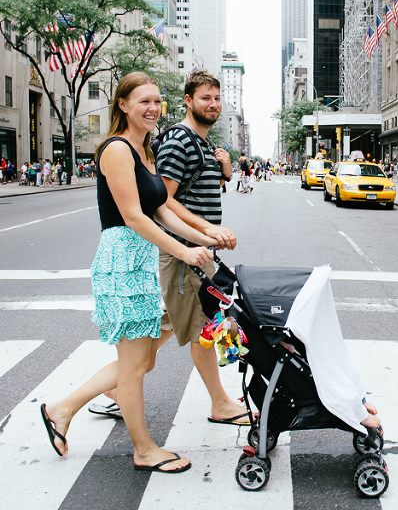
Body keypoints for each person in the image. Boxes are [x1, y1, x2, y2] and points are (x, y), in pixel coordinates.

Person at [41, 72, 218, 473]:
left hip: (144, 262)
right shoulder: (117, 149)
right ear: (123, 105)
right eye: (144, 101)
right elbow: (134, 218)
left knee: (140, 361)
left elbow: (161, 210)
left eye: (158, 101)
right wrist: (184, 252)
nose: (154, 108)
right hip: (124, 262)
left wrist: (202, 238)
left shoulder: (144, 150)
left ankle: (62, 409)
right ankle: (143, 449)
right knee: (136, 364)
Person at [147, 70, 250, 427]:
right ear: (188, 101)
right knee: (205, 324)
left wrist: (224, 169)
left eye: (217, 98)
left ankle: (116, 383)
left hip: (201, 249)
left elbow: (201, 189)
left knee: (175, 322)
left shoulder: (202, 142)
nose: (213, 104)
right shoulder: (180, 140)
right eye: (205, 98)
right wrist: (206, 231)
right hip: (185, 251)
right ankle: (220, 403)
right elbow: (164, 199)